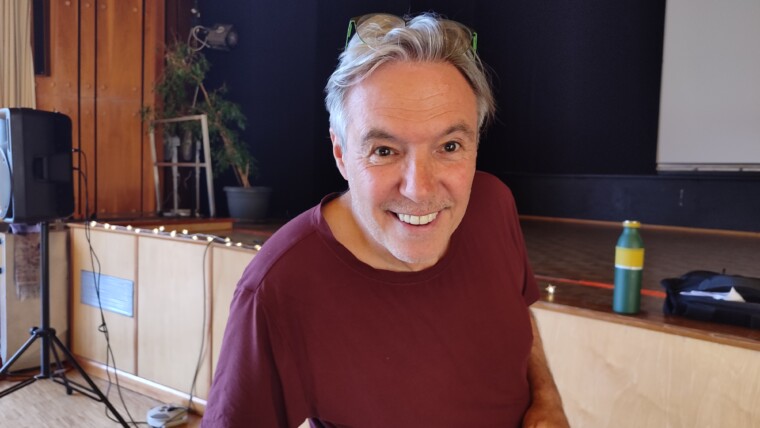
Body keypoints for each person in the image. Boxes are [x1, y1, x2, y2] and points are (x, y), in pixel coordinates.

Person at [203, 12, 569, 428]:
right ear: (341, 154)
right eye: (384, 150)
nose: (419, 189)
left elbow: (517, 312)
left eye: (450, 146)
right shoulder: (278, 287)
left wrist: (548, 398)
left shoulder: (492, 205)